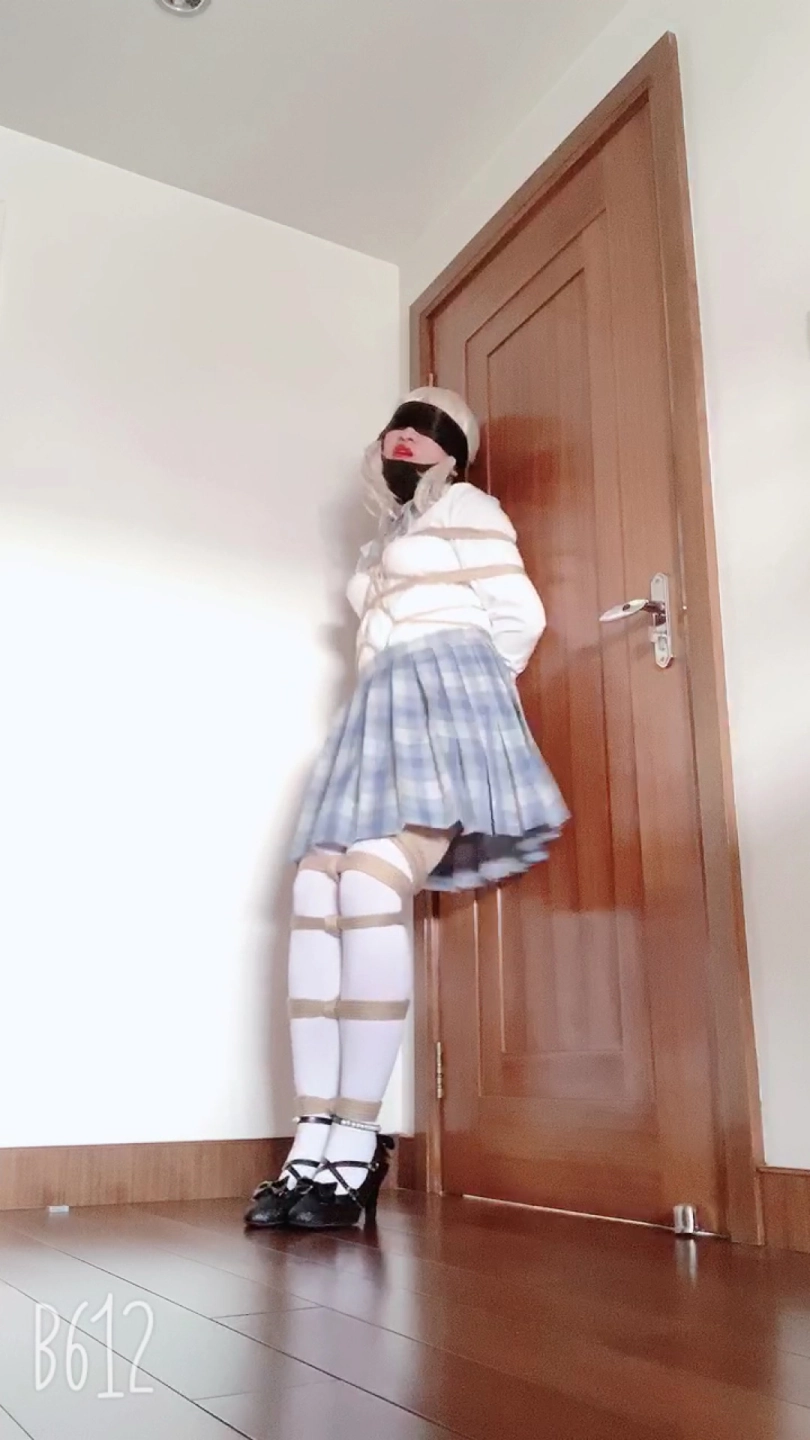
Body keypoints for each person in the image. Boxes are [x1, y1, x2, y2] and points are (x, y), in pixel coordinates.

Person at [245, 387, 568, 1231]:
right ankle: (312, 1139)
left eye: (426, 431)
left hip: (441, 703)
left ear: (453, 451)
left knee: (368, 883)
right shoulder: (383, 542)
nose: (405, 439)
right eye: (398, 428)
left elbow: (519, 616)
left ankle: (356, 1139)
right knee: (316, 887)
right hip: (374, 718)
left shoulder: (469, 507)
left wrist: (465, 697)